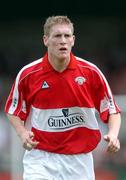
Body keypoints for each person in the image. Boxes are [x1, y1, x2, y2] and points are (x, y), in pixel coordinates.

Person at [5, 15, 121, 180]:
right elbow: (13, 110)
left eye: (67, 36)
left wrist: (113, 134)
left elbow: (112, 110)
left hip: (80, 161)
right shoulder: (28, 74)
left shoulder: (91, 72)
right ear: (46, 40)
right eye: (57, 36)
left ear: (73, 40)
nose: (63, 41)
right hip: (41, 158)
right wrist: (22, 133)